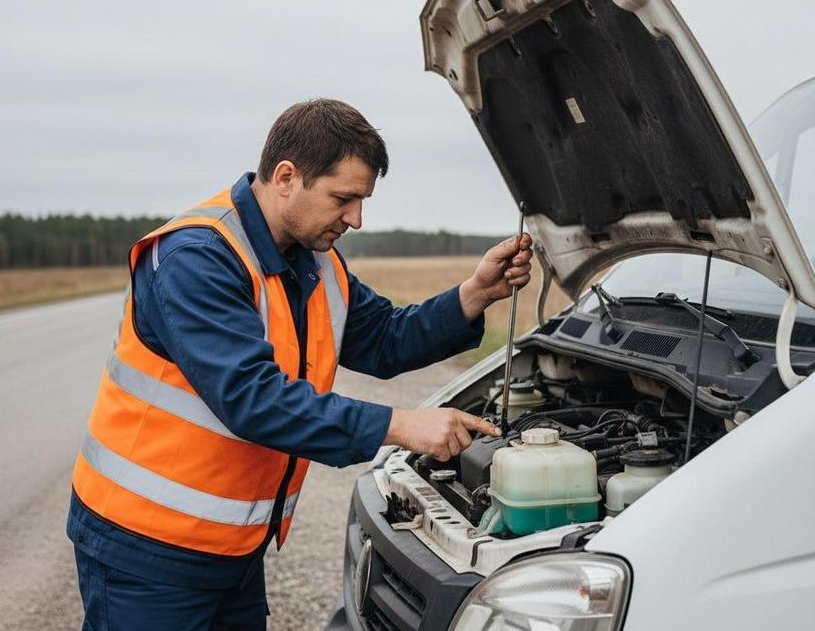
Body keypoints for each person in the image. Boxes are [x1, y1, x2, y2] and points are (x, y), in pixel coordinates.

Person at [67, 98, 533, 630]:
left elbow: (384, 337)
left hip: (233, 549)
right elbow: (252, 398)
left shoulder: (315, 262)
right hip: (147, 551)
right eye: (344, 198)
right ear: (287, 176)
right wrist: (401, 425)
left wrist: (473, 295)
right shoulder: (194, 257)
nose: (356, 218)